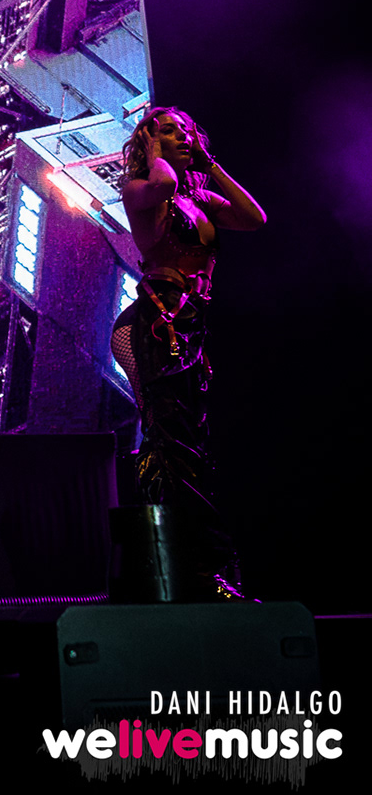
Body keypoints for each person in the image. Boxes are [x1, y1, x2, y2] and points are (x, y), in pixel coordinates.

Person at [111, 106, 263, 601]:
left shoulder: (199, 199)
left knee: (189, 445)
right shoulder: (141, 188)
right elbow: (162, 184)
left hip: (189, 325)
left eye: (186, 131)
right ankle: (196, 569)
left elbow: (254, 218)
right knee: (173, 445)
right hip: (155, 323)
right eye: (168, 131)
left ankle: (190, 564)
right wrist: (155, 151)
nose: (182, 137)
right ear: (149, 141)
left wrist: (209, 164)